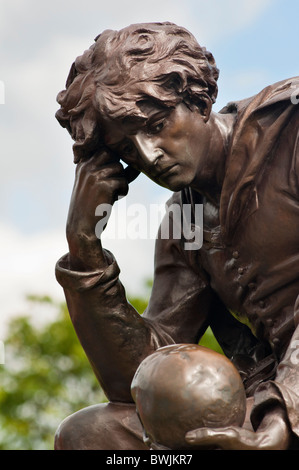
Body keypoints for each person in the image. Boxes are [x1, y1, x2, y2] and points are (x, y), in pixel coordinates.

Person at [54, 22, 299, 450]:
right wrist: (84, 247)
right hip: (269, 404)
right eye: (127, 149)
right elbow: (141, 381)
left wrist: (282, 413)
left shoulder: (290, 129)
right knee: (91, 435)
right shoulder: (185, 221)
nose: (149, 157)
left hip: (287, 406)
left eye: (154, 125)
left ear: (196, 98)